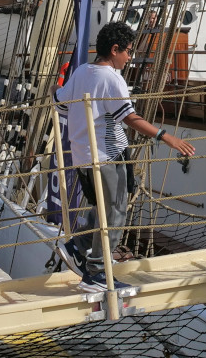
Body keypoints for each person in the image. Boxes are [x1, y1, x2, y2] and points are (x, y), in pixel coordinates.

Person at [55, 21, 196, 293]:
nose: (129, 58)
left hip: (83, 156)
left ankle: (78, 247)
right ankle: (95, 274)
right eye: (128, 51)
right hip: (109, 156)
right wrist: (167, 137)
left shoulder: (83, 70)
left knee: (101, 209)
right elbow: (129, 118)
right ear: (115, 49)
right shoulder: (112, 79)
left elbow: (60, 102)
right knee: (115, 213)